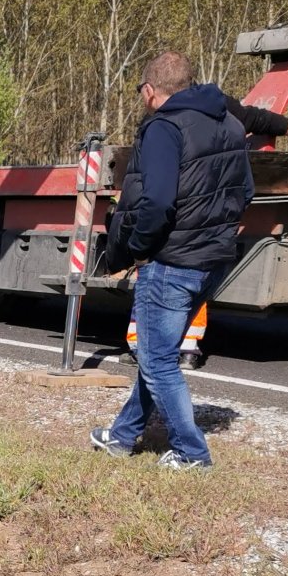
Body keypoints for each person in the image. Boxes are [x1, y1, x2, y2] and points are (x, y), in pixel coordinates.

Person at [92, 51, 253, 470]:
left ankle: (191, 452)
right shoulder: (231, 123)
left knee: (158, 360)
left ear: (150, 90)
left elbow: (157, 200)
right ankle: (123, 436)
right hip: (214, 257)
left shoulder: (164, 127)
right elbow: (246, 190)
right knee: (157, 353)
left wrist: (139, 246)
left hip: (172, 259)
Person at [121, 97, 288, 369]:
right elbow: (258, 127)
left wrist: (133, 233)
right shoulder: (222, 111)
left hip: (175, 223)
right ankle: (188, 348)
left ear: (151, 90)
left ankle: (144, 347)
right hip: (213, 224)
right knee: (193, 285)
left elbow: (149, 188)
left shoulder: (161, 123)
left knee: (156, 283)